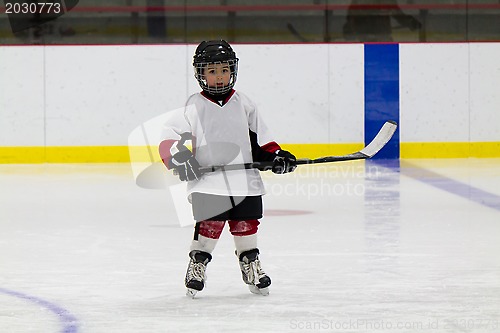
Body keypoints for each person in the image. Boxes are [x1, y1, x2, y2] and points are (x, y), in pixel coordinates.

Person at [158, 40, 297, 297]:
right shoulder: (193, 105)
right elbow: (168, 138)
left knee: (247, 222)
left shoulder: (244, 103)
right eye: (212, 71)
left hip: (244, 180)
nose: (220, 76)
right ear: (201, 74)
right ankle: (198, 263)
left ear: (233, 70)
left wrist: (276, 157)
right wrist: (182, 159)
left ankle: (251, 264)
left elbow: (262, 141)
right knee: (210, 224)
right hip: (208, 182)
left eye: (224, 69)